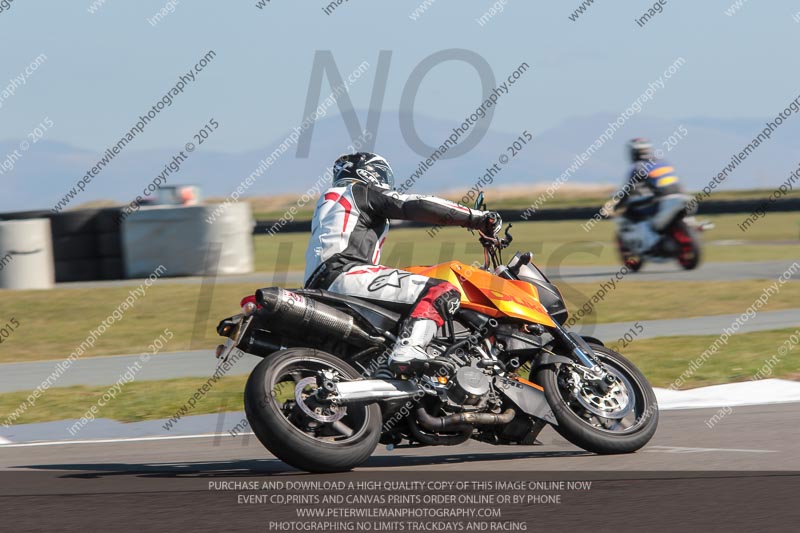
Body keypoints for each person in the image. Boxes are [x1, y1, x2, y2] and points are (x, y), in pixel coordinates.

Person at [303, 152, 501, 373]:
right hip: (347, 273)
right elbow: (415, 204)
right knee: (442, 291)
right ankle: (409, 349)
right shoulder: (360, 191)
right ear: (370, 172)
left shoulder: (330, 201)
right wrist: (477, 218)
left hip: (318, 283)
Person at [615, 138, 685, 253]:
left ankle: (650, 242)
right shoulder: (663, 161)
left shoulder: (637, 167)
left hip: (662, 199)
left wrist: (618, 205)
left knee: (632, 210)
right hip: (680, 195)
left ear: (633, 153)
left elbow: (628, 190)